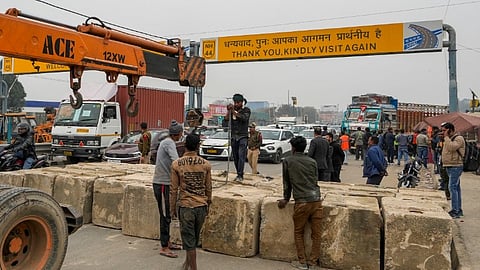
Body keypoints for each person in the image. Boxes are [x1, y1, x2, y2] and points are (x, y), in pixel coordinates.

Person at [277, 136, 322, 270]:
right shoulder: (312, 161)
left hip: (302, 202)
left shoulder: (288, 161)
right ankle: (313, 262)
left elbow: (287, 182)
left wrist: (285, 198)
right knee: (316, 234)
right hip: (316, 200)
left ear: (293, 148)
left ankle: (302, 262)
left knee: (298, 232)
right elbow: (314, 180)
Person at [170, 134, 212, 270]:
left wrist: (172, 209)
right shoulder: (205, 164)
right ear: (198, 146)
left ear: (185, 145)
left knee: (189, 242)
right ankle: (187, 264)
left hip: (186, 206)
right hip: (201, 206)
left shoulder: (177, 164)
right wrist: (208, 204)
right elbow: (209, 187)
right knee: (193, 239)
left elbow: (173, 189)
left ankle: (193, 268)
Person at [152, 120, 183, 258]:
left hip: (164, 182)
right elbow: (176, 161)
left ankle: (168, 241)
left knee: (168, 214)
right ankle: (164, 247)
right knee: (165, 215)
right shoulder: (169, 143)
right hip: (162, 183)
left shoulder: (166, 141)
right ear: (179, 134)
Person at [223, 93, 251, 182]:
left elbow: (243, 118)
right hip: (234, 136)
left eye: (238, 102)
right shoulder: (232, 111)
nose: (236, 104)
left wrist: (234, 112)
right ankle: (238, 173)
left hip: (243, 136)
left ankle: (240, 175)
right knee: (235, 157)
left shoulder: (246, 110)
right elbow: (225, 122)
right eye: (235, 102)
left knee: (241, 155)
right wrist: (229, 111)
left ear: (242, 102)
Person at [440, 122, 465, 219]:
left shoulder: (459, 138)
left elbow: (451, 148)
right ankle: (458, 209)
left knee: (452, 188)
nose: (443, 132)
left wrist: (446, 137)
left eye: (444, 130)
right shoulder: (448, 139)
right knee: (456, 188)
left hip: (456, 166)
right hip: (449, 165)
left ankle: (455, 210)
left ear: (450, 129)